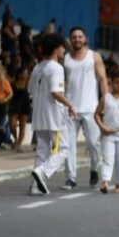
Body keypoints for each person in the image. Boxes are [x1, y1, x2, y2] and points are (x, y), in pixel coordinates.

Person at [29, 34, 77, 195]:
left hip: (38, 115)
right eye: (62, 47)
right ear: (57, 48)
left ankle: (35, 186)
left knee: (42, 151)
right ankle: (43, 172)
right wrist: (70, 104)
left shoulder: (37, 67)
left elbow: (30, 90)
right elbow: (55, 92)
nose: (64, 50)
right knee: (64, 149)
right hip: (54, 117)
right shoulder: (56, 68)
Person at [62, 27, 108, 190]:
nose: (77, 39)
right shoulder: (65, 59)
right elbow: (62, 82)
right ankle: (71, 178)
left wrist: (106, 102)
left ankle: (94, 169)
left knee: (93, 144)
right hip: (70, 108)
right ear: (70, 40)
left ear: (85, 39)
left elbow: (103, 79)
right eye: (74, 37)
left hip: (91, 108)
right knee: (69, 145)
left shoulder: (94, 56)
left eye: (80, 37)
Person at [8, 67, 32, 152]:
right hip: (14, 105)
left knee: (22, 125)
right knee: (12, 125)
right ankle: (16, 138)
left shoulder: (28, 83)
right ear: (19, 74)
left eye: (26, 73)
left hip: (25, 105)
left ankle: (19, 144)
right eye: (23, 73)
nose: (25, 75)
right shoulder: (13, 83)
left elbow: (32, 93)